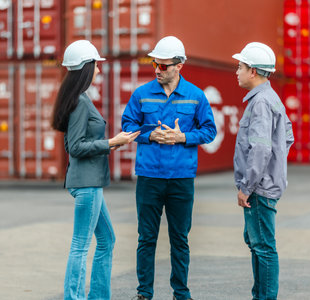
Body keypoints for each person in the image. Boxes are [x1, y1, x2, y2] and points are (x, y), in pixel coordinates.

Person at [121, 36, 217, 300]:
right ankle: (144, 294)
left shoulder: (196, 97)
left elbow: (209, 131)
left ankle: (181, 293)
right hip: (149, 178)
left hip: (181, 179)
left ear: (179, 66)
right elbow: (128, 126)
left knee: (180, 239)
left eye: (164, 66)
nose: (157, 70)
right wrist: (149, 135)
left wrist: (182, 137)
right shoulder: (141, 95)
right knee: (146, 238)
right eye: (155, 64)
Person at [51, 40, 140, 300]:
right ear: (86, 69)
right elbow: (76, 147)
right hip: (86, 184)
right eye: (96, 66)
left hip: (89, 182)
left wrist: (111, 145)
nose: (99, 71)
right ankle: (74, 297)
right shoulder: (79, 102)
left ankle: (99, 296)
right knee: (81, 245)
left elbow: (72, 142)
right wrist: (113, 142)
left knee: (107, 240)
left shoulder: (79, 99)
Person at [232, 42, 294, 300]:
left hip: (258, 188)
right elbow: (288, 136)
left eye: (240, 66)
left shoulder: (259, 103)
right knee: (258, 244)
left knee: (263, 247)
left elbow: (259, 150)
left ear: (253, 71)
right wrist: (275, 168)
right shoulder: (272, 97)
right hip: (267, 183)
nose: (237, 71)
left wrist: (247, 187)